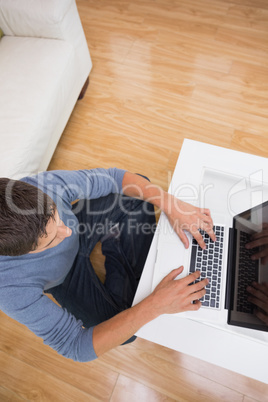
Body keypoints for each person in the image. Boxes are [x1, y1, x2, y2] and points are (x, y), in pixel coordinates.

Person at [0, 168, 215, 362]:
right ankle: (119, 244)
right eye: (52, 239)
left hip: (84, 224)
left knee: (139, 187)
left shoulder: (42, 186)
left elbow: (114, 178)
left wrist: (172, 204)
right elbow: (75, 345)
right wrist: (155, 305)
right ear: (23, 252)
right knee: (125, 331)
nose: (66, 232)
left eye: (57, 216)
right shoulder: (8, 287)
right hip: (65, 279)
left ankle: (118, 245)